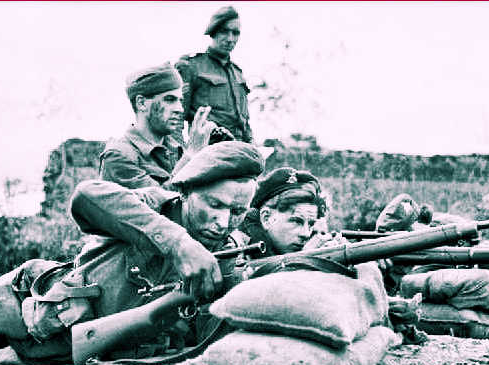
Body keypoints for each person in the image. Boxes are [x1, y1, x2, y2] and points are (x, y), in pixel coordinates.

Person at [0, 141, 264, 365]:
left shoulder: (226, 252)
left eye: (237, 211)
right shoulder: (154, 205)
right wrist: (177, 242)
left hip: (60, 353)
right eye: (214, 205)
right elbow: (87, 196)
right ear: (185, 192)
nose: (223, 221)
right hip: (13, 309)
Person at [99, 62, 217, 189]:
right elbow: (163, 199)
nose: (180, 109)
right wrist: (192, 154)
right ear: (141, 103)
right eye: (169, 100)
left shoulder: (175, 149)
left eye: (180, 101)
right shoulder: (118, 156)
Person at [175, 6, 252, 143]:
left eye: (235, 33)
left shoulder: (237, 73)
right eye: (224, 32)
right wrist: (179, 151)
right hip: (208, 146)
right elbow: (176, 117)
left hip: (239, 147)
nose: (230, 39)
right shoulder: (191, 66)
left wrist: (252, 146)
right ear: (213, 32)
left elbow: (245, 122)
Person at [232, 167, 329, 258]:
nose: (306, 234)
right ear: (266, 218)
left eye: (311, 224)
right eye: (296, 221)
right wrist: (304, 259)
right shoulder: (235, 249)